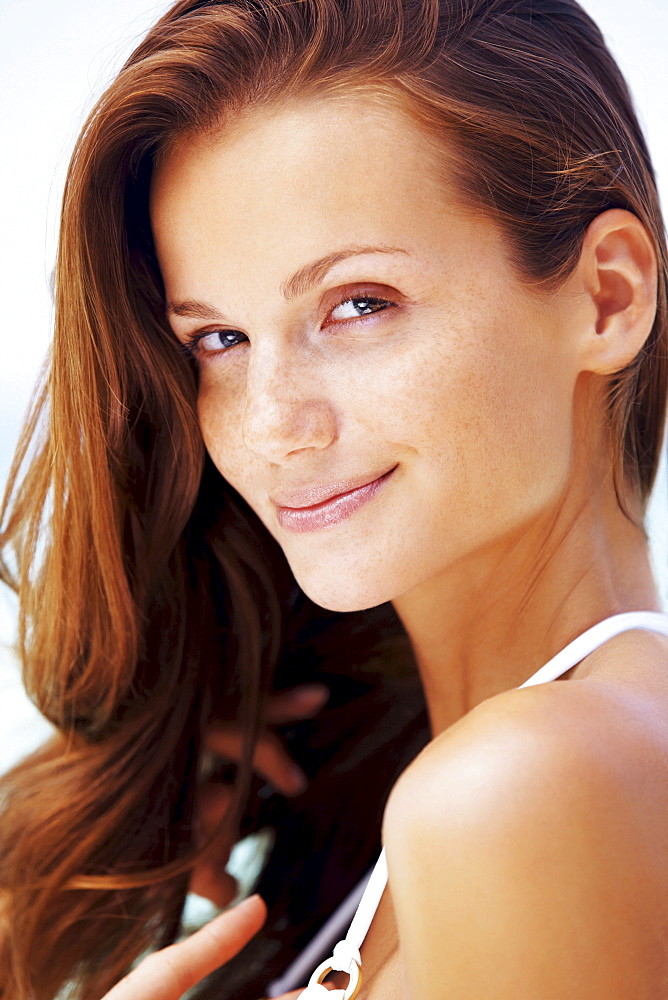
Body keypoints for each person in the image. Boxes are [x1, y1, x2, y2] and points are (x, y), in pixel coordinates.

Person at [1, 0, 667, 998]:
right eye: (217, 339)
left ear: (603, 296)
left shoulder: (523, 787)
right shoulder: (446, 783)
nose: (272, 424)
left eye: (358, 305)